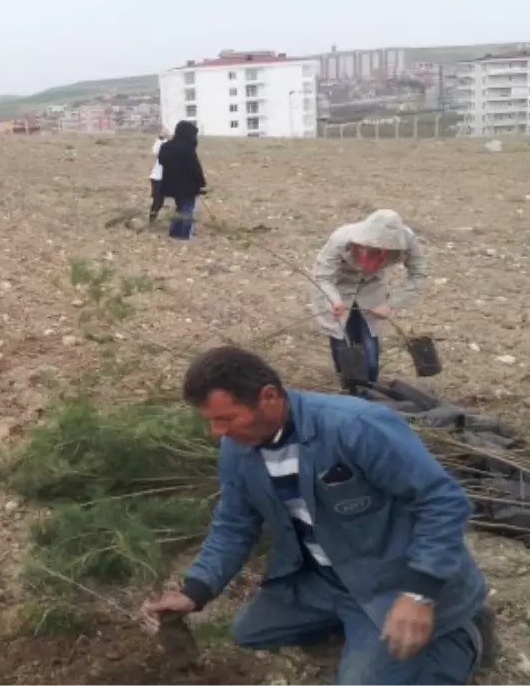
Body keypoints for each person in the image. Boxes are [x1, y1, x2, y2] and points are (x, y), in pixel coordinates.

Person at [141, 346, 494, 686]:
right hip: (326, 579)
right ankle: (361, 628)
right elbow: (233, 525)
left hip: (391, 579)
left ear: (267, 397)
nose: (216, 432)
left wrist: (419, 594)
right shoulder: (236, 450)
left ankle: (463, 634)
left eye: (225, 419)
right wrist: (194, 591)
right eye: (211, 421)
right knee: (249, 631)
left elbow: (442, 500)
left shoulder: (355, 426)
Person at [310, 209, 428, 387]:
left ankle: (370, 388)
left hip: (371, 287)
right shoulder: (341, 239)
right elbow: (323, 277)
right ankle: (349, 388)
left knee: (369, 348)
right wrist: (333, 299)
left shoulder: (406, 240)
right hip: (338, 286)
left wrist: (391, 305)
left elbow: (418, 274)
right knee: (343, 339)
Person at [156, 120, 205, 240]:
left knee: (180, 208)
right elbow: (195, 168)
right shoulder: (187, 148)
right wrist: (201, 183)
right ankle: (184, 234)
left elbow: (161, 161)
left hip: (171, 184)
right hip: (188, 185)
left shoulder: (166, 146)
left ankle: (174, 232)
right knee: (187, 208)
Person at [147, 131, 167, 223]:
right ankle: (151, 220)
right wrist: (160, 138)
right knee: (158, 201)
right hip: (157, 177)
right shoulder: (164, 144)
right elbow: (155, 151)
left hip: (168, 178)